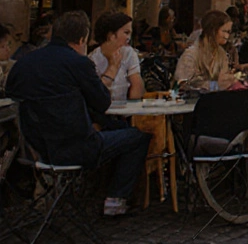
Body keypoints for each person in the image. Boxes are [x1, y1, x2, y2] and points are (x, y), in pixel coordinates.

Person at [8, 11, 151, 217]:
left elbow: (13, 94)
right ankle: (115, 198)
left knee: (117, 129)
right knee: (138, 137)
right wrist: (112, 68)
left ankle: (96, 191)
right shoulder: (78, 63)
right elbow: (102, 102)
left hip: (36, 149)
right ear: (83, 39)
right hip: (76, 148)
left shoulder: (24, 64)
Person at [175, 10, 237, 92]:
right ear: (212, 30)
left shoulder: (221, 54)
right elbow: (183, 84)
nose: (227, 36)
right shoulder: (191, 55)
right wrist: (214, 85)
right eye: (224, 31)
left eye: (229, 32)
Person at [89, 12, 145, 102]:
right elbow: (96, 93)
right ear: (111, 35)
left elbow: (137, 87)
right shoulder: (93, 58)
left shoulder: (129, 53)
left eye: (130, 34)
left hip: (124, 110)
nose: (129, 38)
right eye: (126, 33)